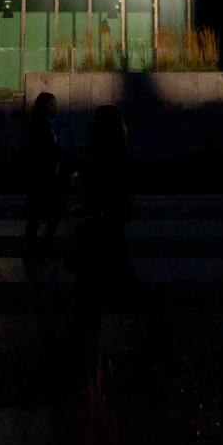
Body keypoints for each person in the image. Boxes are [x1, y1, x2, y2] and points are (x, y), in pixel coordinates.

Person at [70, 104, 166, 359]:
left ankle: (84, 339)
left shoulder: (104, 157)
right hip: (105, 230)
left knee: (108, 282)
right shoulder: (114, 154)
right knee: (100, 283)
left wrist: (90, 208)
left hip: (102, 232)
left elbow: (108, 196)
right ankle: (83, 335)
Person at [20, 91, 66, 258]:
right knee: (46, 213)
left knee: (38, 214)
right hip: (43, 178)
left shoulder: (44, 124)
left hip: (46, 177)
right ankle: (40, 245)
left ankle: (36, 245)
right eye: (52, 104)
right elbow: (39, 152)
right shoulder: (40, 126)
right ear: (44, 106)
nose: (55, 107)